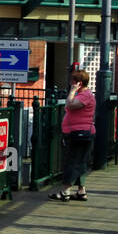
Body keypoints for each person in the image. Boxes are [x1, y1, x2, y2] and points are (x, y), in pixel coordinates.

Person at [50, 69, 95, 201]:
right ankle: (81, 191)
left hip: (79, 134)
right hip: (79, 133)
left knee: (71, 162)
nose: (70, 83)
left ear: (79, 83)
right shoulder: (84, 94)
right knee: (79, 162)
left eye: (72, 81)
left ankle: (65, 191)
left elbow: (70, 105)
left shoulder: (84, 95)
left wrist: (72, 91)